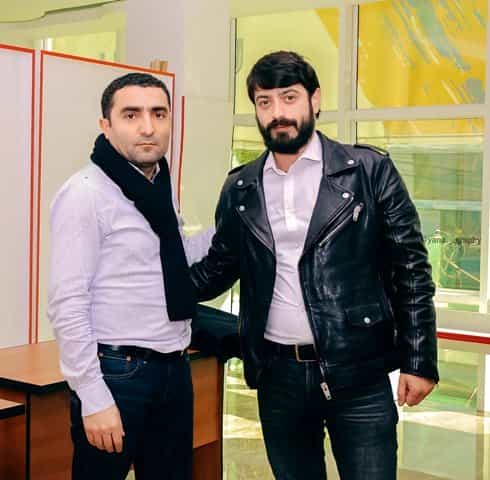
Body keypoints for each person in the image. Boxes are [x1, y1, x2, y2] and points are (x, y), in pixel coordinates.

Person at [190, 51, 438, 480]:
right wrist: (148, 286)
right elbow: (218, 268)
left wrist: (419, 360)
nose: (278, 113)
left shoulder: (368, 171)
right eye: (265, 102)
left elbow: (410, 269)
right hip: (277, 378)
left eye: (289, 97)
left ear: (315, 100)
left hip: (359, 373)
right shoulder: (241, 187)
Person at [48, 72, 212, 480]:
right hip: (117, 374)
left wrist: (232, 227)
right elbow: (68, 303)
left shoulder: (157, 187)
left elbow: (174, 259)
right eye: (131, 114)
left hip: (174, 366)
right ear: (106, 125)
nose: (148, 127)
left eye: (159, 113)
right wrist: (93, 397)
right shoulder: (86, 193)